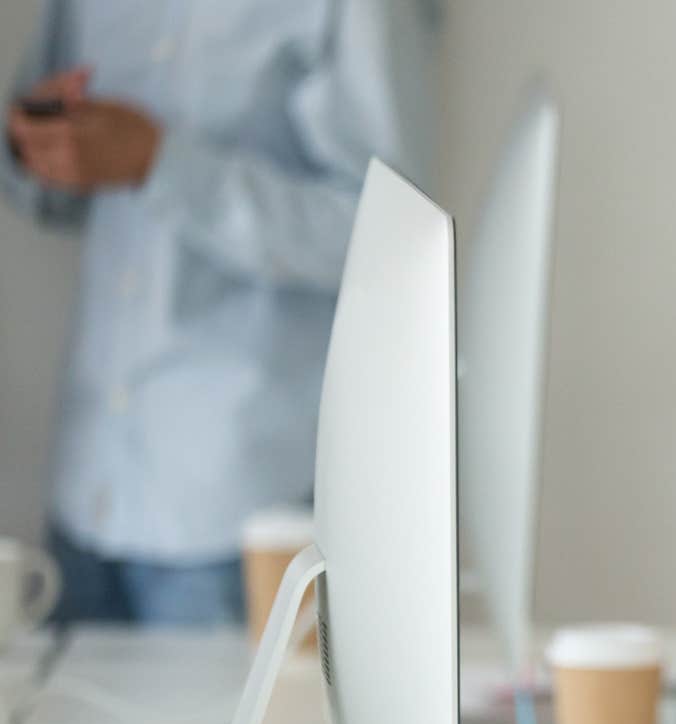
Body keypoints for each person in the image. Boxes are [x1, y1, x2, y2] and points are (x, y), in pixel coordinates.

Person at [2, 0, 438, 626]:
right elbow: (45, 186)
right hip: (83, 488)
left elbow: (392, 235)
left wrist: (161, 163)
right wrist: (38, 150)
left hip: (235, 510)